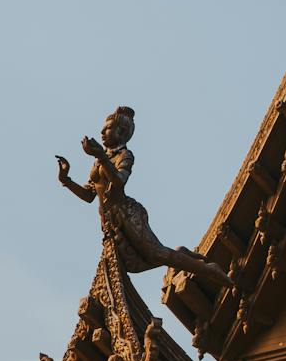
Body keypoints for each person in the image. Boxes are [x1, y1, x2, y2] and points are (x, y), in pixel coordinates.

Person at [56, 107, 231, 285]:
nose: (102, 132)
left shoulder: (124, 155)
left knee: (155, 253)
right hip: (109, 220)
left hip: (126, 213)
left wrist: (101, 156)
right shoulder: (98, 161)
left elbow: (118, 183)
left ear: (121, 132)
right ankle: (180, 254)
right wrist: (66, 179)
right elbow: (89, 195)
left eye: (107, 128)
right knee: (135, 264)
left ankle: (209, 270)